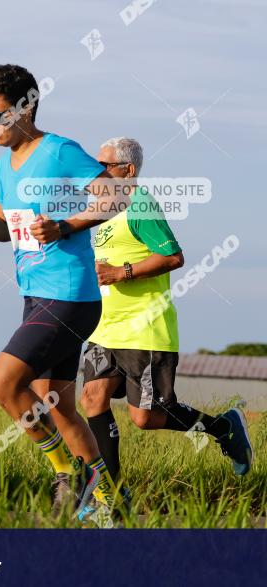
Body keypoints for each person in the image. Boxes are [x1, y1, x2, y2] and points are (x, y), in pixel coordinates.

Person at [0, 63, 123, 520]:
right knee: (62, 407)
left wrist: (67, 224)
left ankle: (68, 473)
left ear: (25, 107)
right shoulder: (4, 165)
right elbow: (5, 230)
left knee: (3, 382)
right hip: (36, 296)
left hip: (70, 296)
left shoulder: (60, 150)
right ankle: (109, 503)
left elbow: (116, 196)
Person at [80, 137, 252, 490]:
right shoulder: (103, 210)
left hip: (145, 329)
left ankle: (224, 427)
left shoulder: (140, 204)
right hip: (105, 327)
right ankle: (110, 494)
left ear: (127, 171)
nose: (96, 173)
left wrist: (121, 272)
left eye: (104, 166)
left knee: (146, 417)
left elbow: (173, 257)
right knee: (91, 400)